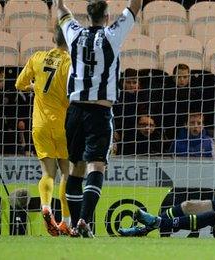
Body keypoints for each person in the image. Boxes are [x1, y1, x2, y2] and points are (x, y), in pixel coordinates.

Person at [56, 0, 142, 237]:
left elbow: (62, 12)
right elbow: (135, 6)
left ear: (87, 17)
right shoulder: (112, 34)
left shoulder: (74, 33)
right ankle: (84, 220)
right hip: (99, 112)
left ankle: (75, 224)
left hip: (74, 111)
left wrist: (60, 2)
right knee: (97, 165)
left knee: (75, 168)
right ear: (106, 17)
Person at [14, 25, 72, 236]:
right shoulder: (70, 63)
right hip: (63, 125)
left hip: (39, 125)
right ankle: (66, 221)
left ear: (53, 39)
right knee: (67, 173)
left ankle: (46, 206)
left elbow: (19, 84)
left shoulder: (37, 57)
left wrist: (34, 87)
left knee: (48, 173)